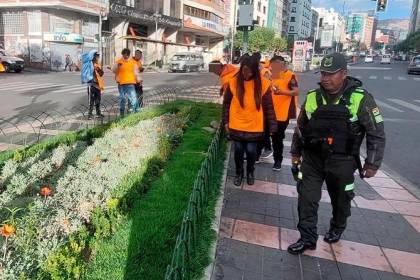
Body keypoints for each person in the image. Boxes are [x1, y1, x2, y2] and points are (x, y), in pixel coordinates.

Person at [287, 53, 386, 255]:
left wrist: (372, 164)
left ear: (344, 74)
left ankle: (337, 227)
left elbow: (376, 132)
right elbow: (301, 128)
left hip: (342, 161)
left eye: (331, 74)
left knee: (341, 200)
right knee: (306, 197)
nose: (325, 78)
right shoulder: (313, 97)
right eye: (323, 73)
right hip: (313, 158)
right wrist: (295, 153)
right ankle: (307, 238)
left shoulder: (361, 98)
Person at [222, 55, 277, 186]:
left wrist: (273, 127)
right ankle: (239, 173)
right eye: (244, 70)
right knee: (239, 151)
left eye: (249, 70)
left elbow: (269, 107)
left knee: (252, 152)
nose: (246, 73)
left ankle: (250, 172)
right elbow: (226, 104)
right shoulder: (233, 82)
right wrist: (225, 122)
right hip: (236, 124)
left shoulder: (263, 84)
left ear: (254, 70)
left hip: (254, 126)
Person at [270, 55, 299, 170]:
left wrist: (282, 92)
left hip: (282, 114)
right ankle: (256, 155)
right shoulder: (273, 75)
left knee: (277, 138)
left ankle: (278, 161)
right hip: (269, 111)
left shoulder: (290, 76)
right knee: (263, 134)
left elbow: (296, 91)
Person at [112, 48, 140, 116]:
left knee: (133, 98)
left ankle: (136, 112)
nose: (125, 57)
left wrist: (139, 80)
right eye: (124, 55)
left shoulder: (133, 62)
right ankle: (122, 113)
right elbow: (114, 71)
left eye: (126, 55)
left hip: (130, 83)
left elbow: (136, 72)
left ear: (128, 55)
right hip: (121, 84)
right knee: (122, 99)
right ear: (122, 54)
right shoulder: (118, 62)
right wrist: (117, 67)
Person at [87, 52, 104, 119]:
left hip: (98, 85)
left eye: (98, 57)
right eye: (96, 57)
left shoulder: (97, 65)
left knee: (98, 100)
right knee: (91, 100)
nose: (97, 58)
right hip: (91, 85)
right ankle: (90, 114)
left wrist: (98, 70)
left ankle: (98, 113)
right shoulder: (89, 65)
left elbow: (101, 74)